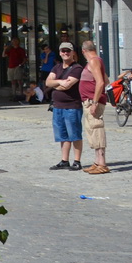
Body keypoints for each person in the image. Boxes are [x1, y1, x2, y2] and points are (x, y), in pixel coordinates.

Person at [45, 43, 85, 171]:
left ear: (73, 52)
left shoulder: (77, 68)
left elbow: (67, 86)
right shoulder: (56, 67)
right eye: (63, 51)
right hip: (58, 106)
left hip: (72, 106)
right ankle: (64, 160)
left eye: (68, 51)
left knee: (75, 134)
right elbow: (47, 82)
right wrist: (60, 82)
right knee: (62, 135)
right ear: (60, 52)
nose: (65, 53)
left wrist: (55, 83)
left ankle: (77, 161)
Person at [79, 40, 110, 175]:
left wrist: (95, 102)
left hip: (93, 101)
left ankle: (102, 164)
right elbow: (106, 80)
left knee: (97, 129)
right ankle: (97, 162)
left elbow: (101, 82)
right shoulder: (96, 61)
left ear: (83, 51)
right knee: (92, 130)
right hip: (88, 100)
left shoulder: (93, 61)